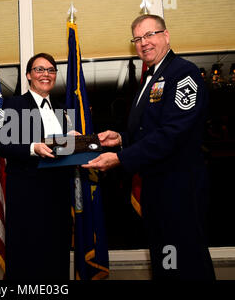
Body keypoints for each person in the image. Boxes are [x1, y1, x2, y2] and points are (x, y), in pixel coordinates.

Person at [82, 14, 215, 280]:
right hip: (158, 190)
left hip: (178, 190)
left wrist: (120, 158)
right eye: (138, 39)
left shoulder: (182, 72)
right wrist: (120, 138)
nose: (144, 43)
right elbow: (148, 132)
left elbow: (173, 134)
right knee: (166, 262)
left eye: (150, 35)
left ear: (166, 36)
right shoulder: (151, 78)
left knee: (183, 263)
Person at [0, 53, 74, 280]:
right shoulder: (11, 104)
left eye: (50, 70)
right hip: (26, 197)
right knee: (26, 258)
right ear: (29, 75)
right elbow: (0, 145)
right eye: (39, 69)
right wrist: (32, 147)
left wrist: (77, 142)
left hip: (58, 195)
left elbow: (63, 149)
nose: (45, 74)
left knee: (57, 255)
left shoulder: (63, 110)